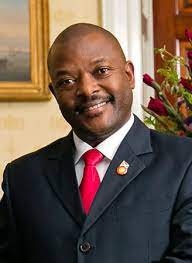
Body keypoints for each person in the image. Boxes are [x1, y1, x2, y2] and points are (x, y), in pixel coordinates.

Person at [0, 23, 192, 263]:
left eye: (101, 71)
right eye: (67, 82)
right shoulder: (22, 177)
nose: (87, 90)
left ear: (129, 75)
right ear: (55, 92)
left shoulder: (185, 162)